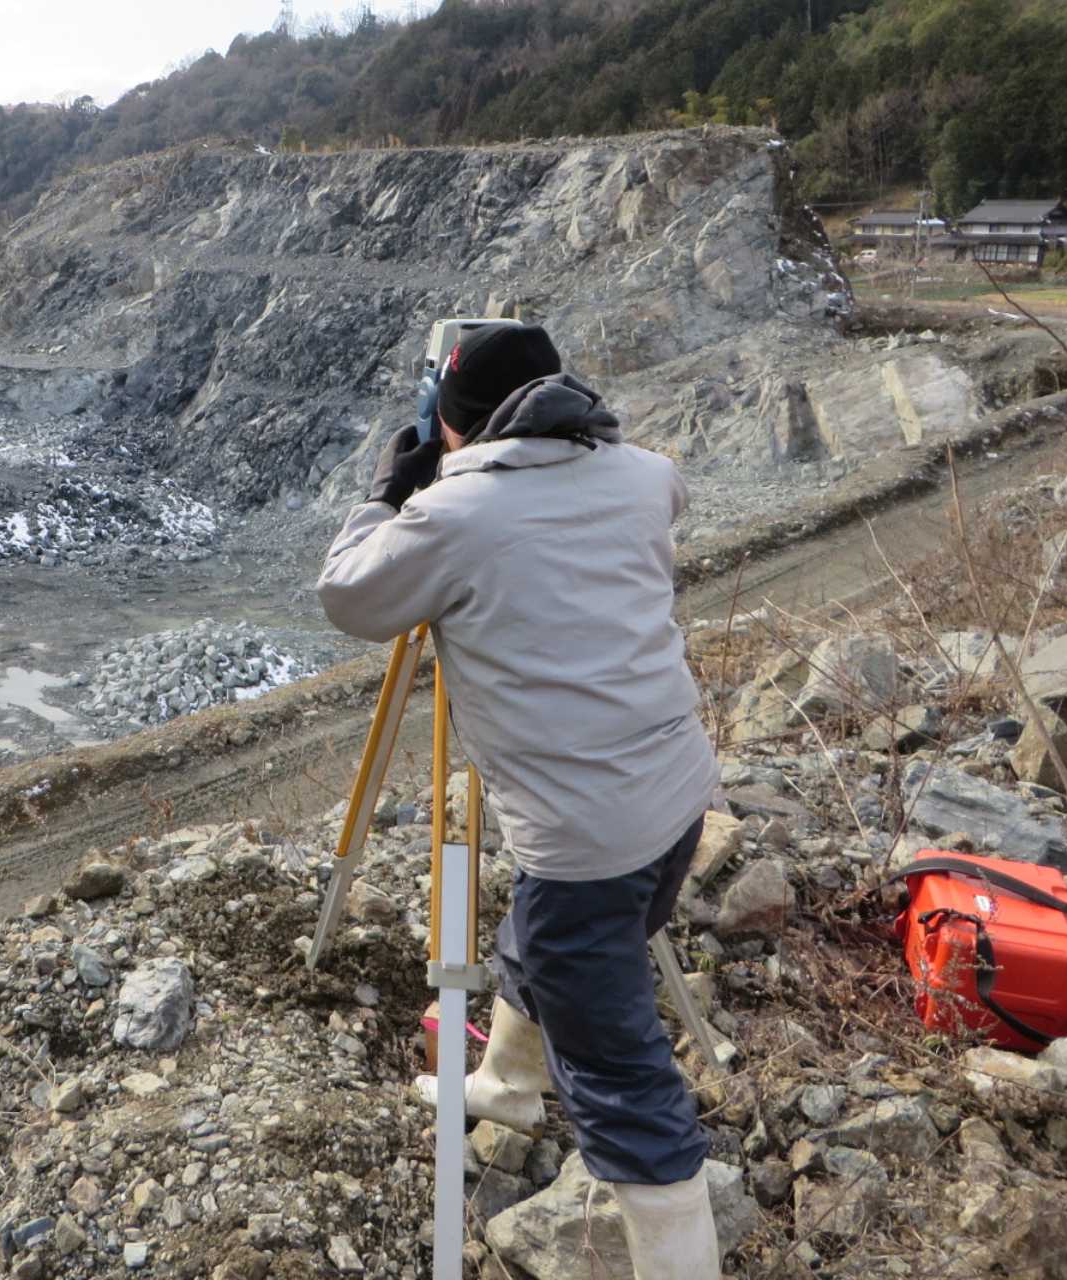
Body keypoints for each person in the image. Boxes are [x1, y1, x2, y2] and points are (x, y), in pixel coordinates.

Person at [316, 323, 720, 1280]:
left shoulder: (459, 516)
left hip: (586, 833)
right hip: (676, 792)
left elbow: (349, 597)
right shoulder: (644, 472)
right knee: (552, 934)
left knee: (625, 1085)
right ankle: (504, 1081)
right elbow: (647, 508)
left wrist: (391, 493)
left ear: (455, 427)